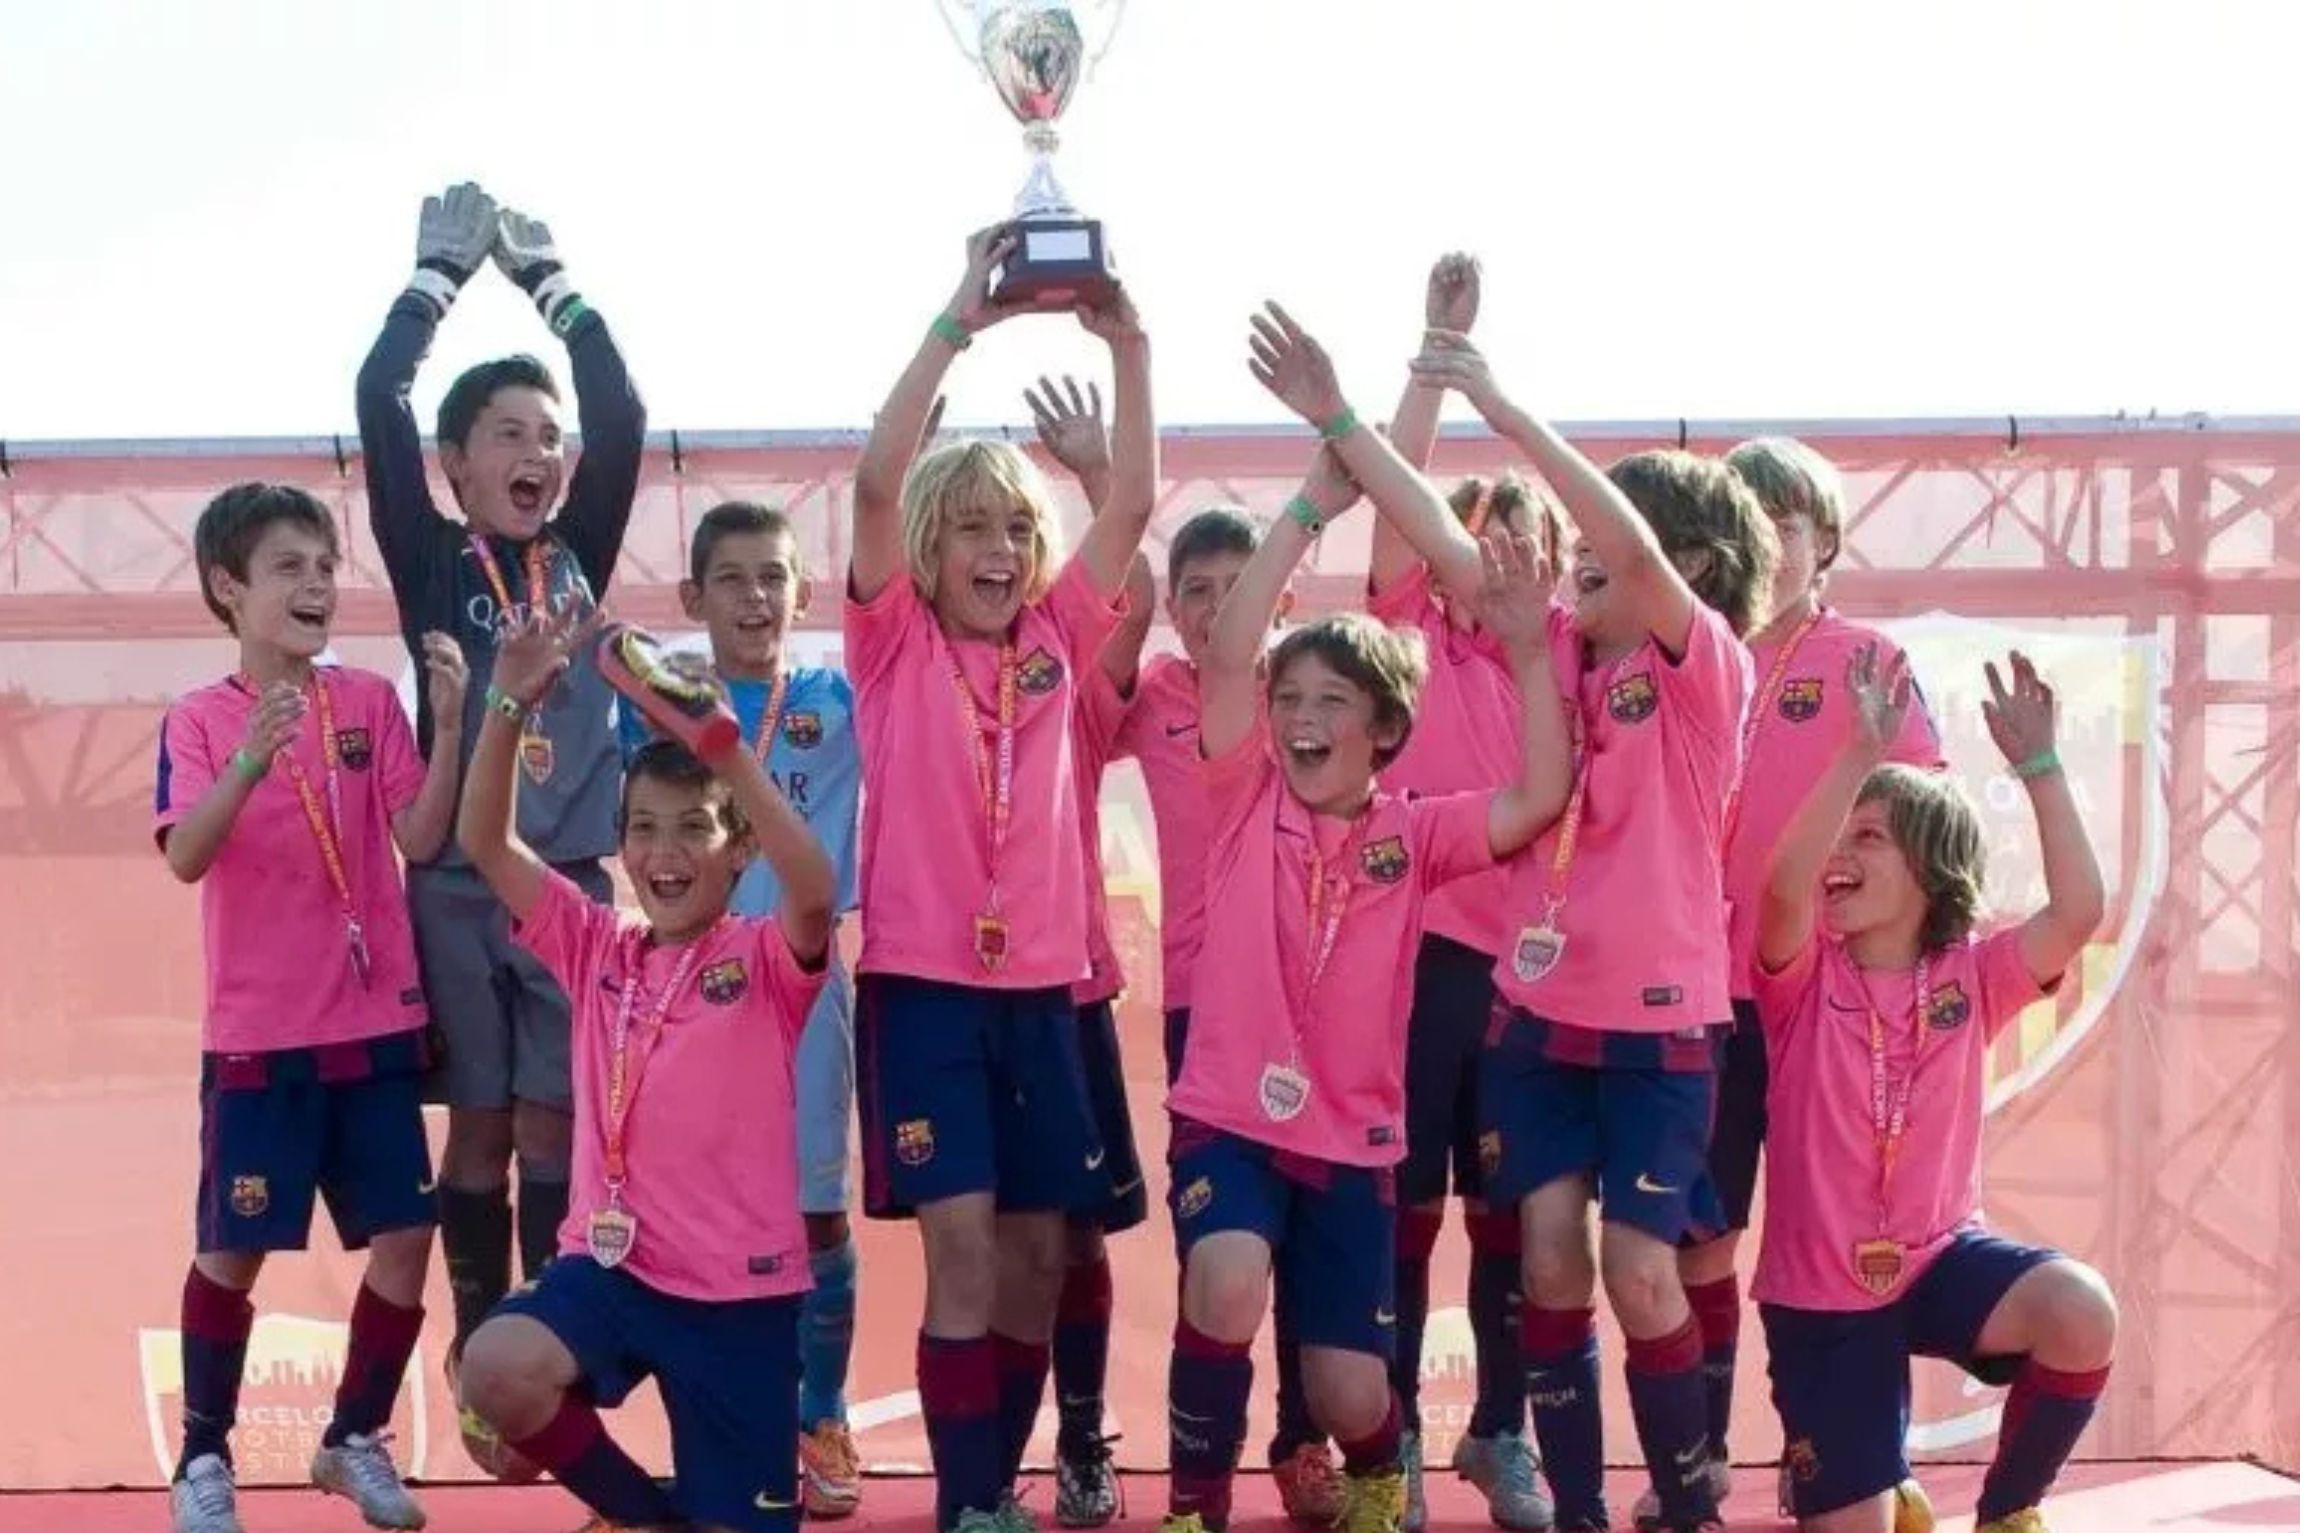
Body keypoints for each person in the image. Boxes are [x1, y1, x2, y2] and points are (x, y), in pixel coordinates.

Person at [1324, 307, 1777, 1533]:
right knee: (1544, 1260)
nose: (1577, 561)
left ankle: (1682, 1499)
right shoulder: (1556, 651)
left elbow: (1629, 546)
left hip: (1658, 1030)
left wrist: (1504, 406)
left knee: (1639, 1271)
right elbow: (1430, 533)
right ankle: (1576, 1510)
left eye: (1596, 552)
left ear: (1685, 569)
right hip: (1534, 1021)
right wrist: (1338, 415)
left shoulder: (1705, 669)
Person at [1154, 344, 1573, 1533]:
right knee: (1224, 1280)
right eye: (1288, 702)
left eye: (1329, 704)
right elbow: (1230, 650)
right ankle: (1192, 1507)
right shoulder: (1243, 792)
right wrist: (1306, 504)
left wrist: (1529, 654)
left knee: (1348, 1391)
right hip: (1231, 1114)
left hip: (1347, 1140)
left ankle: (1384, 1468)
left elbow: (1540, 796)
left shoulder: (1414, 833)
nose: (1299, 721)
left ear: (1385, 729)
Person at [843, 226, 1156, 1533]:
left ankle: (1001, 1478)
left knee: (1036, 1258)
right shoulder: (890, 639)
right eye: (969, 524)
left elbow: (1130, 509)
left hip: (1043, 995)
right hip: (923, 992)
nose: (997, 546)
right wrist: (954, 325)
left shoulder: (1055, 641)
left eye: (1015, 527)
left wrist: (1129, 345)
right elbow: (873, 481)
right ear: (928, 546)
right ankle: (971, 1505)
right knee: (965, 1248)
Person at [354, 180, 648, 1478]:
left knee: (554, 1133)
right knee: (476, 1130)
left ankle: (543, 1343)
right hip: (456, 890)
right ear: (457, 464)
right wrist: (434, 280)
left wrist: (549, 282)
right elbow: (377, 400)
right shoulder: (431, 560)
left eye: (548, 436)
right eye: (509, 435)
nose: (540, 453)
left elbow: (623, 413)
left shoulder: (578, 548)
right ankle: (481, 1348)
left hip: (568, 893)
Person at [454, 602, 838, 1533]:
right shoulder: (597, 943)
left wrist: (725, 751)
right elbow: (485, 843)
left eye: (693, 828)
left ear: (737, 849)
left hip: (739, 1296)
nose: (664, 854)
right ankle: (643, 1519)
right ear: (621, 843)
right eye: (644, 829)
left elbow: (816, 886)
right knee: (495, 1367)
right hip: (613, 1270)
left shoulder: (763, 955)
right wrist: (505, 704)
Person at [1640, 437, 1945, 1533]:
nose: (1769, 540)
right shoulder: (1679, 653)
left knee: (1849, 1240)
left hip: (1827, 997)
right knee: (1699, 1238)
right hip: (1699, 995)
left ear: (1826, 541)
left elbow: (1922, 822)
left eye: (1789, 521)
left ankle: (1865, 1461)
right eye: (1751, 519)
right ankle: (1703, 1455)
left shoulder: (1868, 661)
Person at [156, 483, 467, 1533]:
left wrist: (453, 722)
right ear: (228, 588)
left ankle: (353, 1436)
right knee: (233, 1250)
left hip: (374, 1025)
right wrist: (252, 756)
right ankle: (203, 1457)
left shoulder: (368, 702)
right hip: (260, 1037)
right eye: (289, 566)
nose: (317, 584)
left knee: (406, 1236)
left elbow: (419, 836)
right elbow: (186, 855)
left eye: (326, 566)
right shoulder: (199, 719)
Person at [1751, 644, 2116, 1533]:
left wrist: (2041, 767)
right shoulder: (1803, 973)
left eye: (1868, 837)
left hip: (1939, 1258)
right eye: (1840, 836)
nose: (1839, 853)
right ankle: (1867, 1476)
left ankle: (2007, 1512)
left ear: (1929, 866)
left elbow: (2077, 911)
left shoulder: (1972, 975)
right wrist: (1854, 756)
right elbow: (1783, 887)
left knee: (2080, 1311)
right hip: (1822, 1294)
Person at [1078, 497, 1351, 1526]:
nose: (1216, 609)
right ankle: (1201, 1486)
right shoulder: (1153, 694)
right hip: (1203, 1014)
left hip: (1325, 1012)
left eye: (1237, 588)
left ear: (1282, 595)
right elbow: (1073, 715)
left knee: (1310, 1250)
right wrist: (1107, 490)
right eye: (1196, 591)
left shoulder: (1320, 699)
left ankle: (1302, 1443)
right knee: (1222, 1257)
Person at [1363, 255, 1564, 1532]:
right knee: (1404, 1208)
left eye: (1522, 545)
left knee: (1513, 1219)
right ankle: (1389, 1443)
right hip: (1413, 959)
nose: (1497, 561)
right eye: (1476, 538)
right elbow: (1393, 501)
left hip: (1531, 974)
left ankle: (1501, 1432)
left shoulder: (1562, 667)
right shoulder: (1409, 638)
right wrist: (1432, 363)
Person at [617, 501, 868, 1518]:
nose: (755, 598)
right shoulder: (663, 702)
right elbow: (608, 652)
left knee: (815, 1211)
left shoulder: (841, 699)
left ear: (803, 592)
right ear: (693, 595)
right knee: (691, 1218)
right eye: (730, 578)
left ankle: (822, 1414)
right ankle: (709, 1432)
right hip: (683, 992)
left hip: (802, 979)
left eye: (774, 577)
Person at [1027, 377, 1155, 1529]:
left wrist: (1095, 474)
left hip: (1066, 994)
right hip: (956, 997)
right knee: (986, 1242)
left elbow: (1136, 592)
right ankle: (982, 1462)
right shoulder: (912, 668)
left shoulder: (1068, 684)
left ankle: (1080, 1440)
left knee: (1074, 1236)